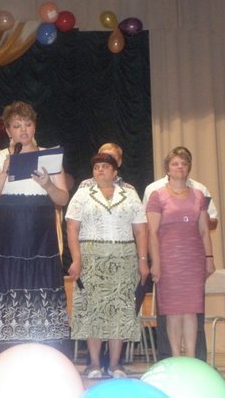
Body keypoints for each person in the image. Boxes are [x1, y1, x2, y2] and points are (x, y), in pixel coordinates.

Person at [0, 101, 70, 364]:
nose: (24, 130)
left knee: (41, 287)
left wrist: (48, 184)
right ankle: (5, 352)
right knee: (9, 287)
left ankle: (46, 351)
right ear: (8, 131)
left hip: (41, 235)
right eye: (17, 126)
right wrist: (4, 173)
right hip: (8, 235)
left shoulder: (50, 156)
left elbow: (62, 199)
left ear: (34, 127)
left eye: (28, 124)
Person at [65, 152, 149, 378]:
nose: (100, 170)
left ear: (115, 172)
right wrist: (76, 259)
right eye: (96, 167)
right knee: (92, 310)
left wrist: (143, 261)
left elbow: (141, 229)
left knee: (120, 310)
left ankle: (114, 365)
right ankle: (94, 364)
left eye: (105, 166)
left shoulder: (129, 194)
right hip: (91, 259)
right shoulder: (83, 193)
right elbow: (72, 228)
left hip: (124, 260)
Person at [142, 145, 218, 361]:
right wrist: (156, 263)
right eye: (175, 164)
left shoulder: (198, 195)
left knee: (191, 310)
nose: (179, 167)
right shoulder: (157, 196)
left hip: (193, 259)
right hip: (167, 260)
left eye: (184, 164)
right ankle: (176, 358)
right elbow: (152, 232)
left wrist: (209, 259)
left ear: (189, 168)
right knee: (173, 311)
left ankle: (191, 359)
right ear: (167, 168)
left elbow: (204, 231)